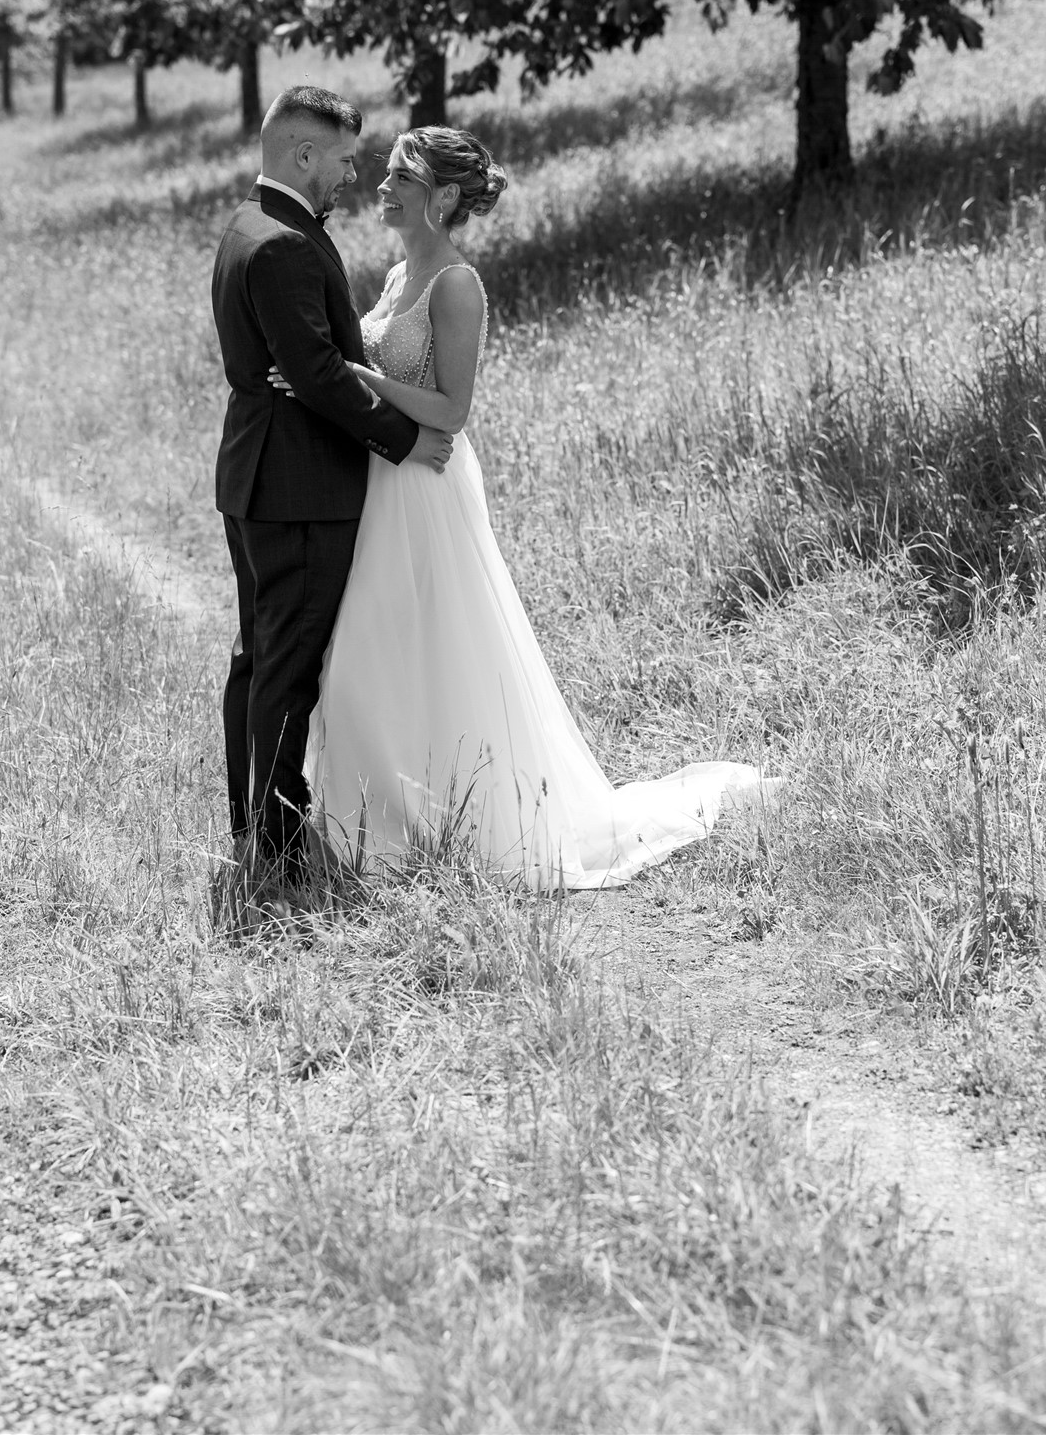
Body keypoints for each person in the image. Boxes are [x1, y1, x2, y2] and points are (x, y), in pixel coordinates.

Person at [281, 125, 776, 890]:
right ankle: (380, 825)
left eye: (399, 178)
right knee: (367, 661)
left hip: (429, 489)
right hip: (382, 482)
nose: (380, 187)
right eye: (382, 176)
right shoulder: (392, 277)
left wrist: (353, 376)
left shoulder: (455, 283)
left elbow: (450, 409)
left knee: (442, 653)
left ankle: (464, 822)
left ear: (443, 196)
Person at [211, 86, 453, 883]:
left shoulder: (250, 224)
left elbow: (307, 366)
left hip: (256, 476)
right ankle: (277, 848)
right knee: (287, 666)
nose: (353, 175)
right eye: (345, 159)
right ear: (302, 154)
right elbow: (313, 374)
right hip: (298, 488)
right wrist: (405, 441)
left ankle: (253, 823)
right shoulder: (281, 241)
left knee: (259, 657)